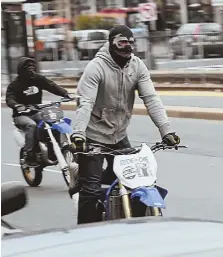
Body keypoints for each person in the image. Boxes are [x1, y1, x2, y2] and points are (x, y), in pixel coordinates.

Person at [70, 25, 180, 224]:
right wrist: (78, 134)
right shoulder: (96, 67)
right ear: (111, 42)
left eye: (130, 42)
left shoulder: (137, 66)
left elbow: (151, 99)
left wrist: (167, 130)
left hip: (119, 135)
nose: (127, 46)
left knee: (136, 182)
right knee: (92, 190)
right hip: (92, 134)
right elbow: (85, 102)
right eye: (122, 42)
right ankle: (85, 232)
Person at [6, 57, 70, 166]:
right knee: (32, 125)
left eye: (32, 66)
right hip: (21, 115)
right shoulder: (14, 85)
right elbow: (9, 98)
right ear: (21, 69)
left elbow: (51, 86)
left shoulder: (38, 79)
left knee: (52, 122)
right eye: (27, 67)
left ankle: (52, 149)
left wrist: (65, 93)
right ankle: (29, 154)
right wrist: (17, 106)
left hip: (36, 111)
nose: (31, 69)